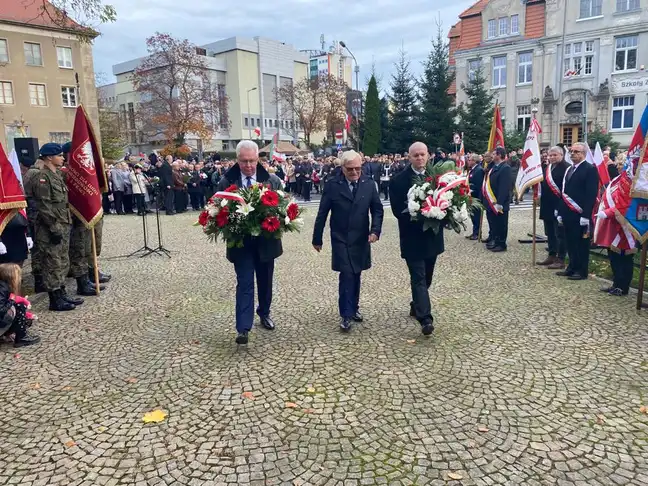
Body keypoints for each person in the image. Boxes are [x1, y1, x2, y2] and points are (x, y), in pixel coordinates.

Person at [216, 141, 284, 345]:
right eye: (244, 161)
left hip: (266, 241)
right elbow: (218, 209)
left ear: (258, 159)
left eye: (252, 161)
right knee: (245, 283)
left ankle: (264, 313)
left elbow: (281, 209)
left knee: (265, 281)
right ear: (237, 160)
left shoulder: (272, 180)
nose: (248, 165)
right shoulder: (227, 181)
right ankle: (243, 328)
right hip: (241, 243)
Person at [312, 150, 384, 333]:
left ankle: (354, 307)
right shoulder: (332, 185)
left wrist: (375, 230)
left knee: (356, 272)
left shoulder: (369, 184)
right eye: (350, 169)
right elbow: (322, 213)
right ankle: (345, 314)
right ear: (342, 168)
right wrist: (317, 238)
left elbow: (377, 209)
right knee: (346, 274)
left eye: (358, 169)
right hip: (340, 237)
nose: (354, 172)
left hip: (361, 237)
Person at [389, 142, 444, 336]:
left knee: (427, 277)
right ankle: (426, 319)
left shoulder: (437, 177)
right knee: (418, 277)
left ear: (428, 155)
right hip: (412, 237)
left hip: (432, 238)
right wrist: (421, 214)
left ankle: (416, 304)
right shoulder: (398, 181)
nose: (419, 158)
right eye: (415, 155)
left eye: (422, 155)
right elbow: (397, 211)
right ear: (409, 157)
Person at [32, 143, 79, 311]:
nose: (63, 157)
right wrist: (53, 227)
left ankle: (62, 293)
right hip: (50, 228)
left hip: (62, 224)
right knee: (52, 263)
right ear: (49, 158)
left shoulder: (57, 175)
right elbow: (44, 206)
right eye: (59, 155)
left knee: (62, 261)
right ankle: (55, 299)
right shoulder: (42, 177)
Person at [556, 142, 599, 280]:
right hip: (568, 213)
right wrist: (561, 212)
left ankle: (581, 271)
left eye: (577, 152)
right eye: (572, 151)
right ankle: (572, 267)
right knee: (570, 242)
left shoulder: (590, 169)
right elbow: (564, 193)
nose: (573, 154)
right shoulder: (569, 169)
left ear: (584, 154)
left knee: (581, 244)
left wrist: (586, 215)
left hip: (580, 214)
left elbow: (591, 194)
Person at [594, 172, 635, 296]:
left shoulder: (633, 181)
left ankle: (623, 287)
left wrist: (608, 212)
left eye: (623, 163)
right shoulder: (618, 179)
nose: (619, 165)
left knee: (625, 258)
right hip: (612, 223)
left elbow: (626, 204)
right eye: (619, 163)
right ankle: (616, 283)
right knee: (613, 256)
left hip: (625, 224)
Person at [537, 146, 569, 269]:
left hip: (559, 204)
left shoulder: (566, 168)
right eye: (550, 155)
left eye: (555, 155)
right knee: (549, 232)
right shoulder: (547, 167)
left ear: (561, 155)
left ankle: (560, 258)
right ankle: (551, 254)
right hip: (547, 204)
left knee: (560, 233)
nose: (552, 157)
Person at [0, 264, 40, 347]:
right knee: (20, 306)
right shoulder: (2, 288)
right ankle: (21, 337)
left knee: (21, 309)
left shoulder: (4, 287)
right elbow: (1, 310)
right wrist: (12, 300)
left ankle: (13, 334)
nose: (20, 278)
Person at [483, 147, 512, 252]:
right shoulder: (494, 167)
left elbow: (504, 187)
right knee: (494, 223)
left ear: (499, 155)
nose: (492, 156)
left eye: (494, 154)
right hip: (492, 201)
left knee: (501, 224)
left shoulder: (505, 168)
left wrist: (500, 202)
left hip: (500, 202)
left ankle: (501, 244)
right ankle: (495, 241)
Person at [466, 154, 484, 241]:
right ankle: (475, 232)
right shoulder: (473, 170)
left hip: (476, 197)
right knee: (473, 216)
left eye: (469, 160)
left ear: (474, 161)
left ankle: (477, 233)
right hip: (471, 196)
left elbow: (478, 185)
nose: (468, 161)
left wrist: (471, 191)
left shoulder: (479, 170)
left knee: (477, 216)